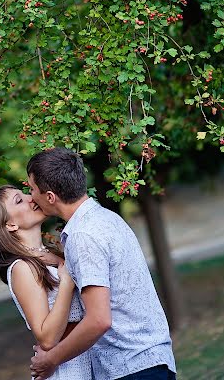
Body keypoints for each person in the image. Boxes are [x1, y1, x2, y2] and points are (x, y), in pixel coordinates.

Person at [27, 147, 176, 380]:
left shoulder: (83, 236)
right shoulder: (105, 219)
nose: (30, 197)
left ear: (50, 197)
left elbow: (99, 320)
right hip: (150, 360)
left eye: (32, 189)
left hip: (132, 367)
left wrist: (51, 359)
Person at [0, 184, 93, 380]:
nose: (30, 198)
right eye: (19, 200)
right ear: (10, 225)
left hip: (89, 361)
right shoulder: (21, 268)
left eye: (25, 193)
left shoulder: (53, 254)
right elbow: (47, 338)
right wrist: (66, 282)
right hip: (67, 372)